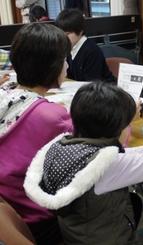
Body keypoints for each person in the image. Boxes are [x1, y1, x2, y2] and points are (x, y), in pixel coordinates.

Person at [24, 82, 143, 244]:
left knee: (133, 202)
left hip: (77, 234)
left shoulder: (62, 147)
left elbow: (113, 157)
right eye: (128, 123)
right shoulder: (108, 166)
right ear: (118, 128)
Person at [0, 23, 72, 244]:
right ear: (52, 66)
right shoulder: (51, 116)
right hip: (42, 219)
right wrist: (125, 120)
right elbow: (100, 147)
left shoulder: (5, 96)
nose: (67, 65)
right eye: (63, 59)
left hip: (11, 208)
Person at [55, 8, 116, 83]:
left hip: (102, 90)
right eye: (61, 34)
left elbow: (92, 84)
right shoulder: (69, 47)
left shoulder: (91, 51)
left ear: (80, 31)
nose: (63, 38)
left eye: (67, 34)